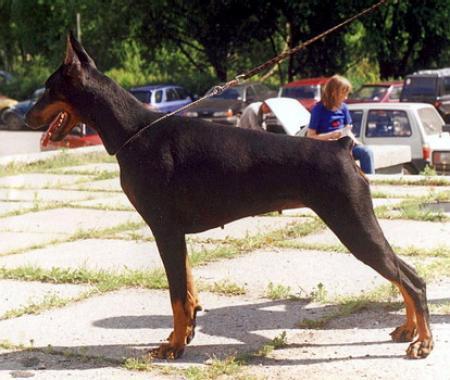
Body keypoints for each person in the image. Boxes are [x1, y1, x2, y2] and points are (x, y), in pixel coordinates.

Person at [306, 75, 375, 174]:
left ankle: (369, 184)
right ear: (334, 93)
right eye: (344, 94)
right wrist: (331, 135)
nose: (346, 97)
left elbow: (347, 130)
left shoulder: (344, 108)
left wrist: (355, 141)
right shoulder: (318, 109)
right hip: (326, 148)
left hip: (343, 145)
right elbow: (310, 136)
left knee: (366, 152)